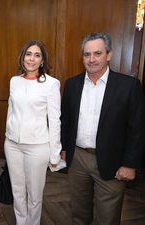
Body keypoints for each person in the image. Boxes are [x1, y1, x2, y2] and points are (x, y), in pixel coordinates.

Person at [61, 32, 145, 225]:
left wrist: (130, 164)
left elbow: (137, 129)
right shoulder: (72, 84)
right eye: (87, 54)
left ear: (109, 55)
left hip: (113, 162)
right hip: (78, 159)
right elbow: (66, 120)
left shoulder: (129, 86)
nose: (91, 59)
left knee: (107, 217)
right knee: (79, 214)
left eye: (97, 53)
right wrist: (65, 148)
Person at [4, 40, 62, 225]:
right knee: (17, 191)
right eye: (28, 54)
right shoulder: (14, 81)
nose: (32, 58)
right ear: (22, 57)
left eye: (37, 55)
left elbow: (54, 121)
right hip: (12, 145)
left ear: (42, 61)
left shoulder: (52, 84)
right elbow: (10, 112)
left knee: (35, 195)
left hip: (38, 147)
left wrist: (55, 153)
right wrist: (8, 136)